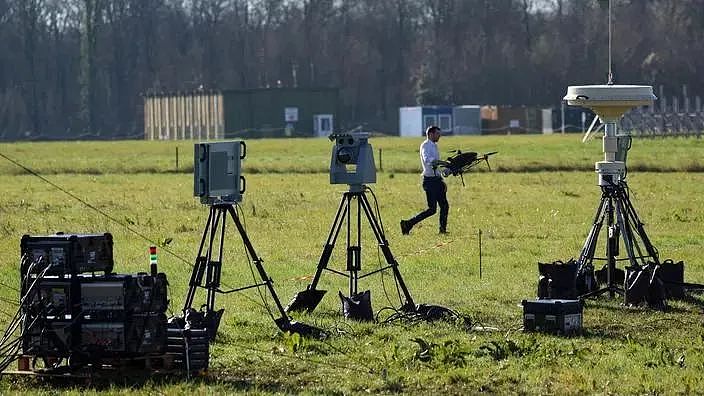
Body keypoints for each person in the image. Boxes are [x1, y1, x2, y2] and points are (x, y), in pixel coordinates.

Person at [400, 125, 450, 235]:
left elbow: (435, 164)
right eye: (437, 133)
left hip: (437, 180)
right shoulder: (425, 146)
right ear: (431, 134)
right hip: (430, 181)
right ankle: (408, 223)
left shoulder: (434, 146)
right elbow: (429, 160)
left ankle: (442, 230)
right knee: (432, 209)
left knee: (444, 206)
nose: (439, 136)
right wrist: (442, 163)